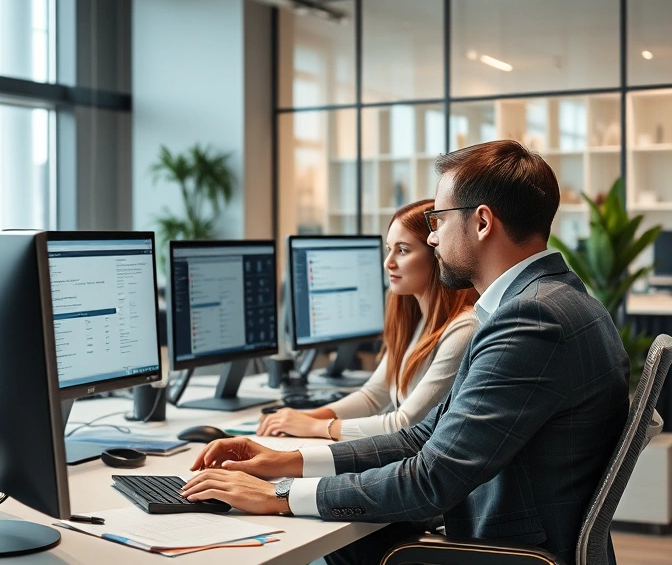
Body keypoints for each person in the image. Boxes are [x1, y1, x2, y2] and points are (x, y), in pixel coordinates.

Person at [180, 140, 629, 565]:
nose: (432, 239)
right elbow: (422, 437)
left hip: (511, 552)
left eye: (438, 220)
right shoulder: (552, 301)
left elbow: (432, 479)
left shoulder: (532, 320)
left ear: (482, 222)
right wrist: (287, 462)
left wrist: (278, 495)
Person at [258, 200, 479, 441]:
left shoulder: (463, 328)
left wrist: (315, 427)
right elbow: (374, 396)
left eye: (402, 250)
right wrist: (305, 417)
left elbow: (406, 423)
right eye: (389, 249)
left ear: (437, 255)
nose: (388, 263)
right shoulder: (415, 321)